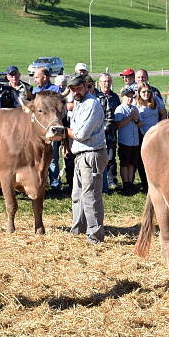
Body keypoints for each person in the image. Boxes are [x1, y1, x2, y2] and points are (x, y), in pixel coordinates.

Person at [66, 73, 107, 244]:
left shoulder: (92, 104)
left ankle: (95, 235)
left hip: (92, 153)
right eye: (72, 89)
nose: (76, 91)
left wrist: (63, 131)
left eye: (79, 88)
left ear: (86, 86)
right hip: (81, 154)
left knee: (90, 196)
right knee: (77, 195)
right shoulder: (78, 104)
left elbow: (81, 134)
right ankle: (79, 228)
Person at [95, 73, 121, 192]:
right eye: (104, 81)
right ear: (99, 83)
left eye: (109, 81)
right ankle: (101, 181)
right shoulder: (95, 96)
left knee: (111, 158)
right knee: (100, 159)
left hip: (111, 132)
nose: (107, 83)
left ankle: (112, 181)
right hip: (98, 133)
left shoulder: (115, 97)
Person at [114, 85, 141, 195]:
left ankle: (130, 182)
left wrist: (136, 119)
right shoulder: (120, 109)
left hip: (135, 141)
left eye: (131, 96)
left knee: (132, 163)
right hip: (125, 141)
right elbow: (118, 125)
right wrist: (130, 117)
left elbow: (140, 124)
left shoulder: (135, 109)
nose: (130, 99)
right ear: (123, 97)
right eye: (127, 96)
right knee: (124, 163)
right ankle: (125, 183)